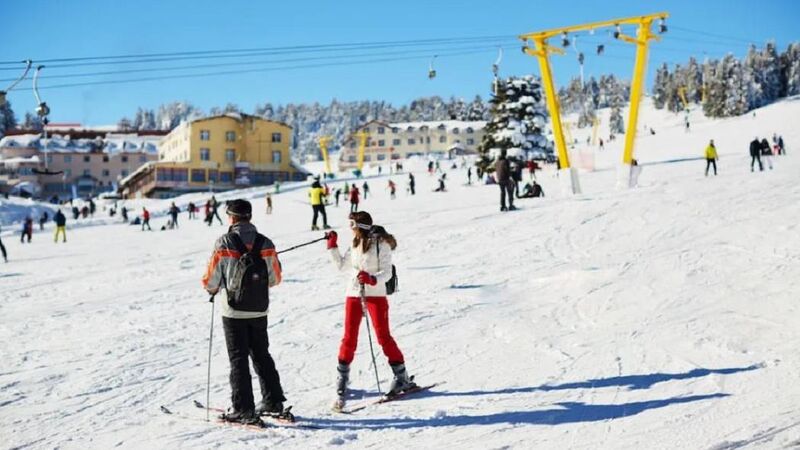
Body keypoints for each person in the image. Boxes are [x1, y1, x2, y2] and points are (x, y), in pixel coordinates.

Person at [202, 199, 286, 424]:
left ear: (231, 217)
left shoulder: (224, 243)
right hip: (259, 309)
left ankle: (243, 408)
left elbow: (211, 281)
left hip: (233, 312)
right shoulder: (265, 242)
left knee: (238, 358)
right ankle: (273, 401)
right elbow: (276, 278)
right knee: (261, 354)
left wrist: (215, 288)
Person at [325, 212, 416, 406]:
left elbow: (387, 272)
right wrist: (332, 246)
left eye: (352, 224)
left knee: (383, 336)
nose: (350, 228)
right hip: (354, 293)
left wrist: (372, 278)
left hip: (375, 295)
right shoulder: (355, 243)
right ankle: (342, 378)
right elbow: (342, 266)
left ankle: (402, 377)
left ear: (361, 226)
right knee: (349, 337)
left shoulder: (380, 245)